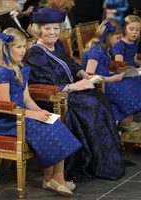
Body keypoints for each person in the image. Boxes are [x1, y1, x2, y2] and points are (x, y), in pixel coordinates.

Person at [25, 7, 124, 182]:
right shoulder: (35, 53)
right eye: (48, 28)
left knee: (100, 98)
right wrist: (73, 87)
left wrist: (83, 74)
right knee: (90, 105)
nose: (53, 32)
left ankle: (104, 158)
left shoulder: (58, 45)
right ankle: (88, 162)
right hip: (54, 98)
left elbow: (71, 64)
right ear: (39, 29)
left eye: (56, 28)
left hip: (72, 90)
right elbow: (46, 82)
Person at [0, 27, 82, 197]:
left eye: (24, 46)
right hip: (6, 120)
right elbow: (6, 107)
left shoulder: (21, 68)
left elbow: (27, 99)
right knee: (44, 130)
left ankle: (58, 178)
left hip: (22, 113)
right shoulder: (2, 72)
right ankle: (48, 179)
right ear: (7, 49)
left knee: (55, 123)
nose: (24, 51)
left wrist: (41, 112)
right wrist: (34, 115)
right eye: (19, 47)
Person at [83, 18, 141, 131]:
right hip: (99, 84)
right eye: (117, 38)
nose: (119, 41)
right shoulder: (96, 50)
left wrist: (113, 72)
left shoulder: (104, 48)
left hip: (106, 78)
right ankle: (123, 121)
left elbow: (103, 67)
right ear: (108, 36)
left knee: (133, 81)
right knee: (128, 87)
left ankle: (124, 120)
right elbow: (89, 75)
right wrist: (111, 79)